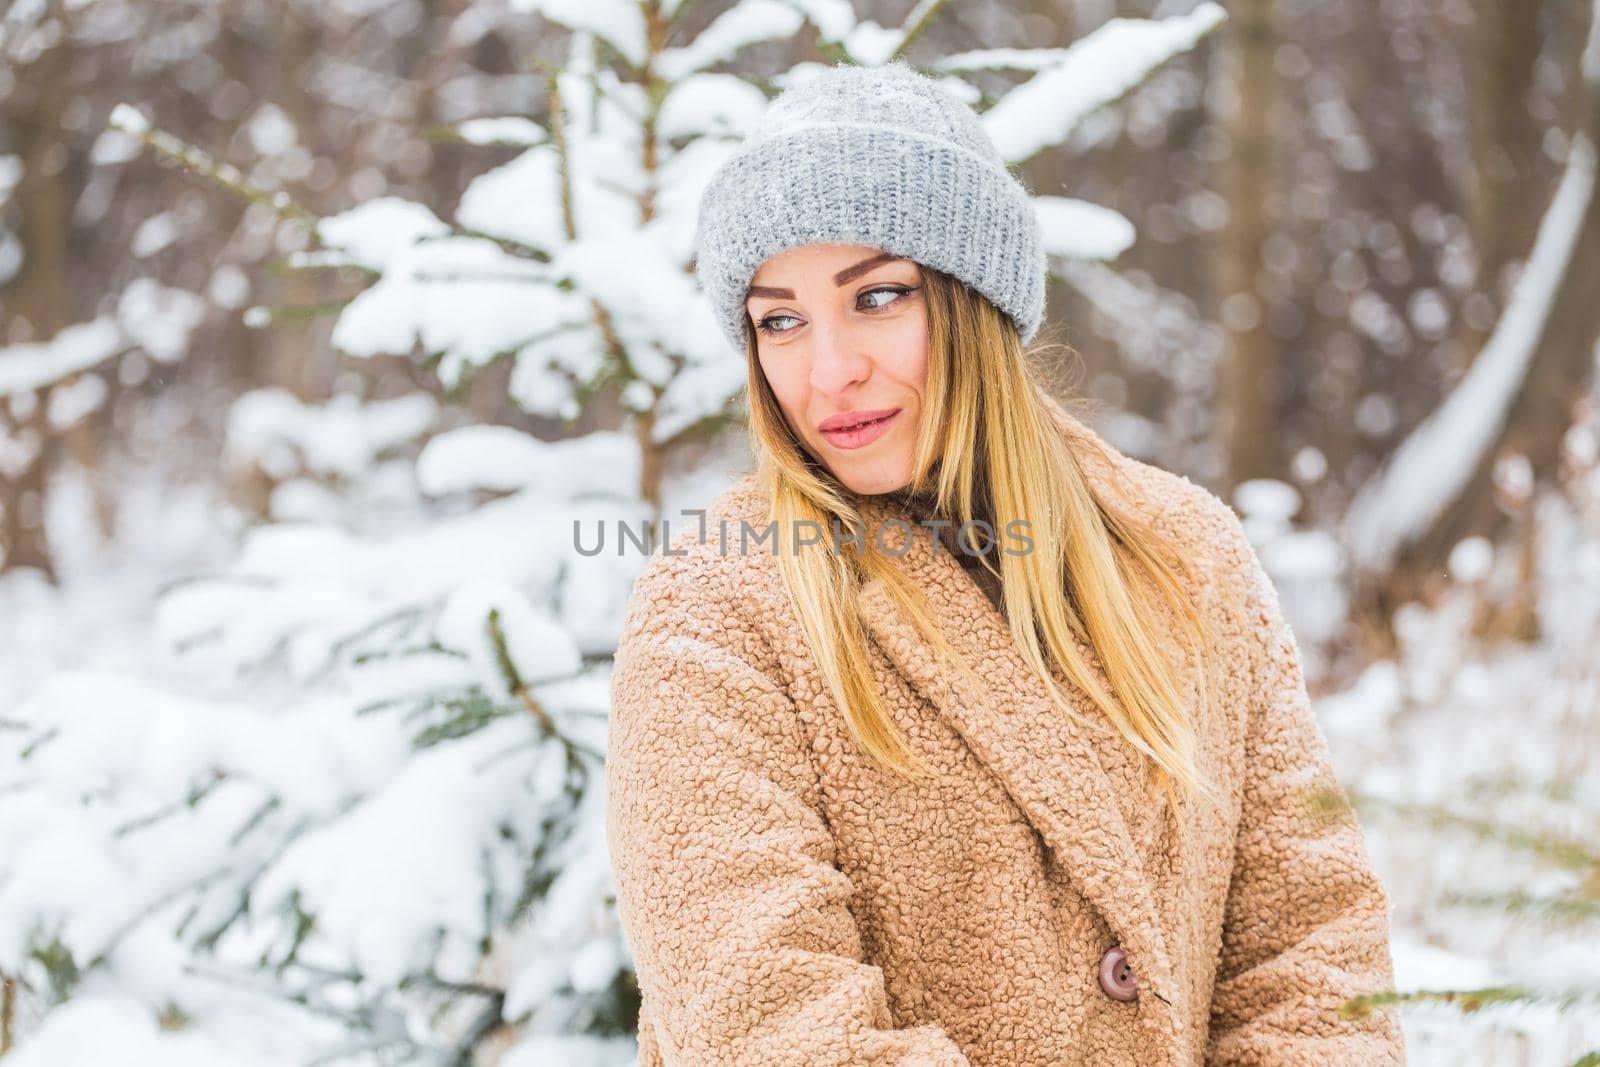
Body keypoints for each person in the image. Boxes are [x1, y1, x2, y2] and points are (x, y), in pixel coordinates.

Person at [604, 59, 1406, 1067]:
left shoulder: (1183, 551)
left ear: (975, 297)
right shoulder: (719, 601)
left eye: (879, 296)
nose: (829, 368)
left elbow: (1311, 940)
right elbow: (766, 1016)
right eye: (780, 318)